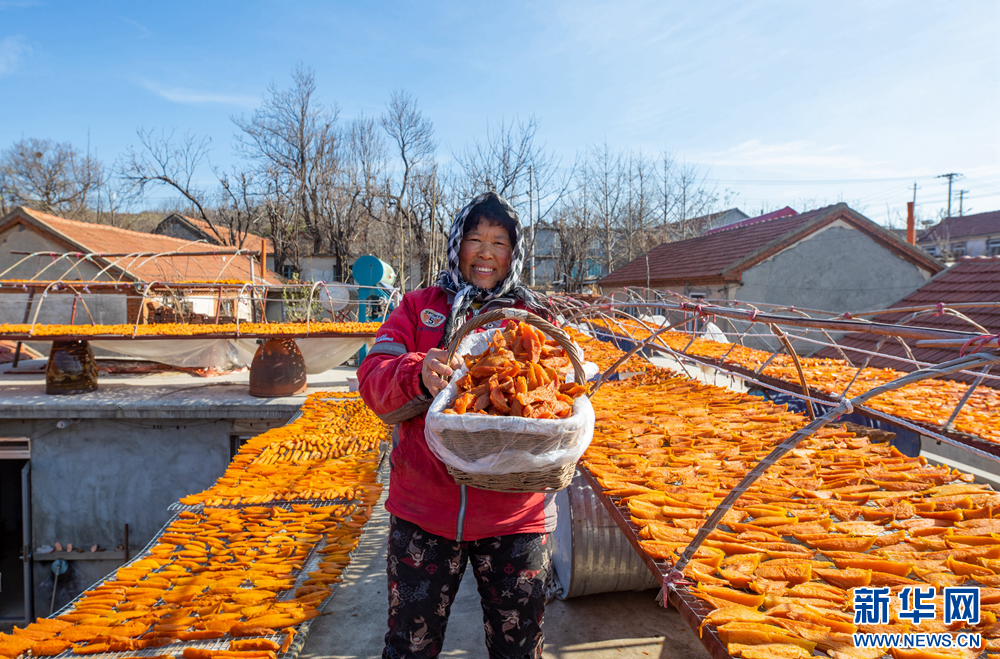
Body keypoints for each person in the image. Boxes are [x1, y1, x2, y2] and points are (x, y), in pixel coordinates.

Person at [358, 192, 556, 659]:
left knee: (520, 649)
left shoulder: (533, 318)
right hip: (424, 512)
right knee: (410, 646)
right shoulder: (418, 307)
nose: (486, 253)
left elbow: (562, 391)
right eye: (475, 239)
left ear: (514, 252)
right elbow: (373, 378)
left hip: (515, 517)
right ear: (456, 245)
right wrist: (416, 373)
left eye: (500, 242)